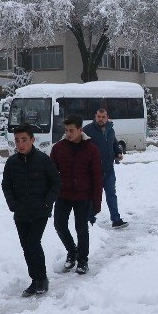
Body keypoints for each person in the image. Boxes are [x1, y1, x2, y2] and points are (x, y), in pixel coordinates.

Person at [2, 123, 60, 297]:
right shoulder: (12, 163)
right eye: (17, 140)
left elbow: (55, 183)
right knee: (26, 247)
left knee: (33, 243)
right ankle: (34, 280)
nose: (20, 144)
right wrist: (13, 204)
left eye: (24, 140)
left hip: (40, 211)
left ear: (33, 140)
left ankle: (42, 278)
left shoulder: (43, 160)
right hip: (21, 213)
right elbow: (6, 185)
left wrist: (47, 203)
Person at [51, 114, 102, 275]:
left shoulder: (91, 149)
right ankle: (72, 252)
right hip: (63, 195)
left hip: (83, 196)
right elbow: (51, 174)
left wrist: (96, 202)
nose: (68, 133)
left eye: (71, 130)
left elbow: (97, 177)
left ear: (80, 130)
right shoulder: (58, 148)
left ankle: (82, 261)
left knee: (81, 229)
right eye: (66, 130)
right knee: (59, 225)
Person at [84, 107, 128, 229]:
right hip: (94, 171)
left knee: (111, 195)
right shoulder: (87, 130)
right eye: (99, 116)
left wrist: (118, 152)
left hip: (109, 169)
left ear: (107, 117)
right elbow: (81, 148)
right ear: (95, 116)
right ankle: (89, 220)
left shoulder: (110, 129)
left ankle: (116, 220)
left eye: (103, 117)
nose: (101, 119)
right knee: (94, 196)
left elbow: (114, 144)